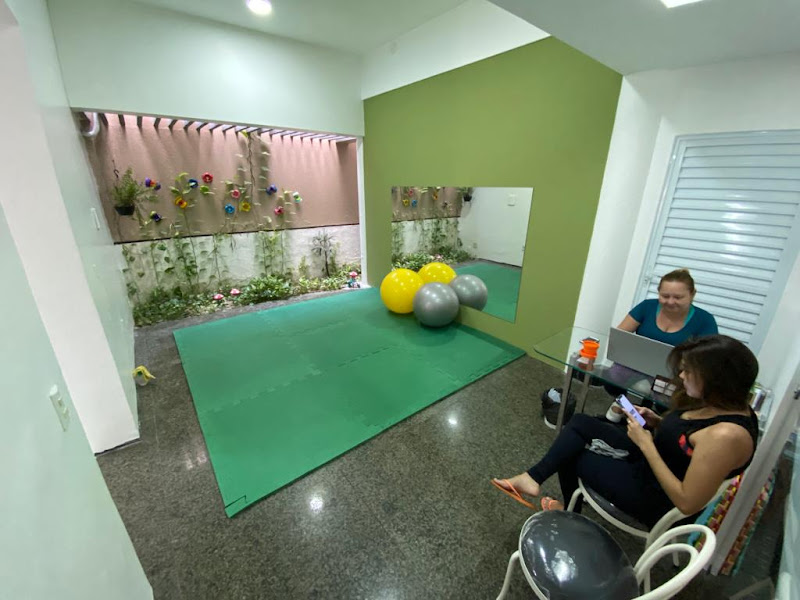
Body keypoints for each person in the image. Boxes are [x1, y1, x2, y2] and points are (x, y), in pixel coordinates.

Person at [497, 335, 759, 527]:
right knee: (580, 423)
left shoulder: (727, 436)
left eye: (689, 371)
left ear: (717, 381)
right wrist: (656, 422)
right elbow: (689, 441)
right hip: (654, 458)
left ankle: (570, 515)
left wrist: (646, 444)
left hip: (656, 496)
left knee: (572, 455)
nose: (681, 376)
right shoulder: (724, 403)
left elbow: (687, 502)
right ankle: (532, 478)